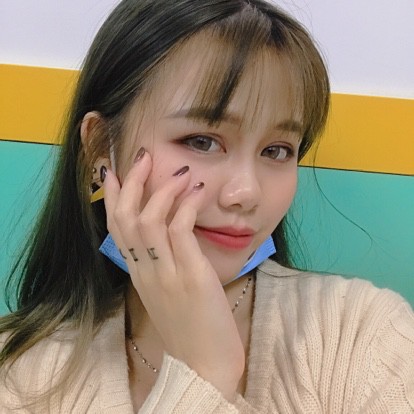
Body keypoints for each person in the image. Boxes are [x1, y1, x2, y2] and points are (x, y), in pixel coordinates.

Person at [1, 0, 413, 412]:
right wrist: (205, 373)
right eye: (202, 142)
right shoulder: (19, 375)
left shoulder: (366, 336)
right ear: (99, 148)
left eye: (276, 150)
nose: (246, 192)